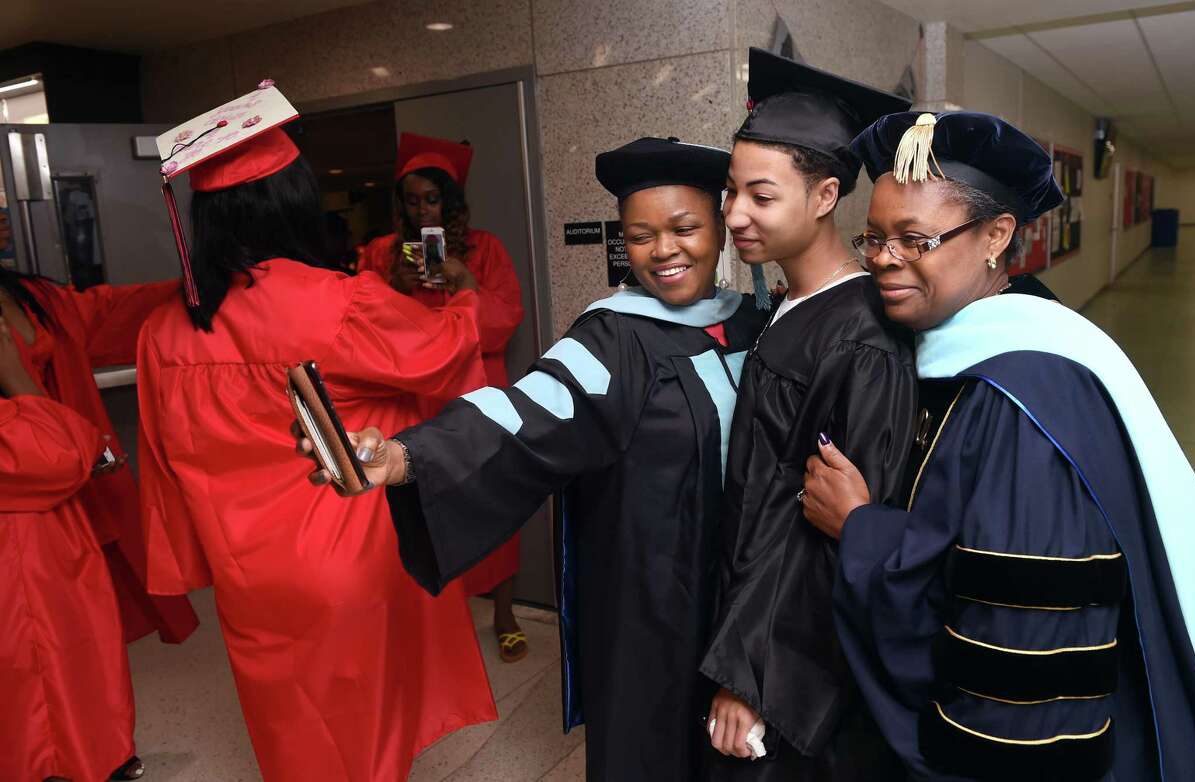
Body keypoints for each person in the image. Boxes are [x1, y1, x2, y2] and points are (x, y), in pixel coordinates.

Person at [301, 137, 770, 780]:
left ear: (720, 229)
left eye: (685, 229)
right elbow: (521, 411)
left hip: (747, 581)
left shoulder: (755, 321)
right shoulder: (613, 336)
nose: (663, 250)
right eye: (639, 236)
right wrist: (406, 456)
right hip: (654, 595)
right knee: (656, 740)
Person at [803, 110, 1195, 780]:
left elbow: (1018, 647)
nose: (883, 259)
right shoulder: (952, 348)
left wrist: (861, 529)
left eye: (915, 240)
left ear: (996, 235)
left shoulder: (1021, 401)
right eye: (873, 237)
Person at [137, 92, 496, 782]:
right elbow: (444, 353)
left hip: (246, 572)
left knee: (291, 728)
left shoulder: (164, 328)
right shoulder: (338, 300)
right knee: (365, 730)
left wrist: (187, 559)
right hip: (347, 554)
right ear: (292, 202)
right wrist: (462, 294)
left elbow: (162, 460)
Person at [701, 49, 916, 780]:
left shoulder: (860, 339)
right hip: (747, 617)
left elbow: (824, 536)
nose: (734, 214)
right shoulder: (789, 306)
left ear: (825, 196)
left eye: (761, 197)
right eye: (731, 192)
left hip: (790, 668)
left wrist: (751, 675)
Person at [358, 132, 528, 660]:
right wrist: (396, 284)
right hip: (411, 396)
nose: (422, 210)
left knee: (493, 497)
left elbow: (505, 320)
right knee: (420, 509)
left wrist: (464, 281)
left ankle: (504, 612)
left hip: (475, 391)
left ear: (449, 202)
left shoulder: (485, 248)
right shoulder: (382, 253)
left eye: (432, 199)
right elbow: (362, 326)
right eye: (411, 200)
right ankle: (435, 622)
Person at [0, 266, 199, 647]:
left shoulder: (34, 297)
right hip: (23, 510)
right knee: (41, 649)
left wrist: (203, 281)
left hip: (68, 490)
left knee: (88, 646)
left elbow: (111, 312)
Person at [0, 317, 143, 782]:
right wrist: (13, 372)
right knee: (49, 667)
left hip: (36, 541)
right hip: (24, 556)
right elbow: (55, 455)